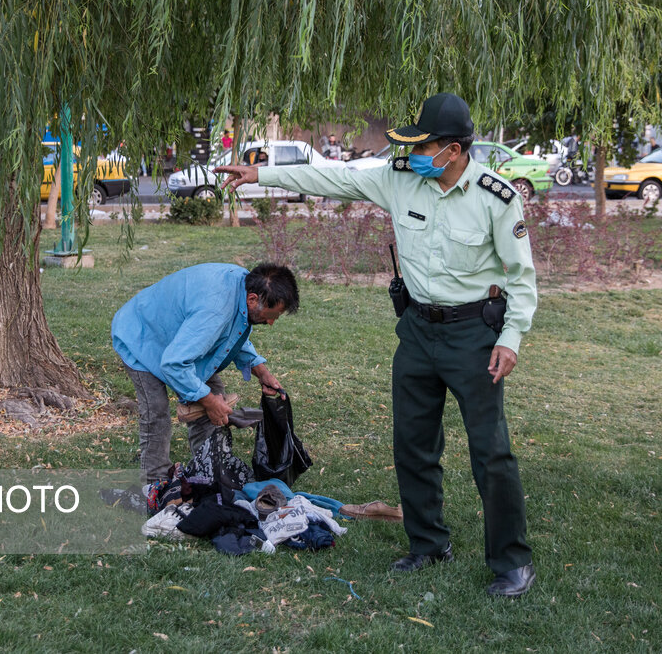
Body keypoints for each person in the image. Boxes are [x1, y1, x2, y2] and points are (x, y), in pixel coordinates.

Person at [216, 92, 538, 597]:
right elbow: (335, 179)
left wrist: (511, 339)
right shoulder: (401, 177)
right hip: (416, 330)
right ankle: (428, 543)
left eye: (426, 145)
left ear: (452, 151)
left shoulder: (495, 197)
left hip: (474, 335)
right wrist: (262, 175)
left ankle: (512, 562)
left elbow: (522, 277)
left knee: (491, 452)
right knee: (412, 444)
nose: (415, 154)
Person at [112, 263, 299, 483]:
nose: (270, 323)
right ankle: (155, 481)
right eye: (270, 316)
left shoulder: (242, 285)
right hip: (142, 336)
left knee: (214, 397)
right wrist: (208, 402)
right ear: (252, 300)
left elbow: (232, 332)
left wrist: (261, 372)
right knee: (157, 411)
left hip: (180, 338)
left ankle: (210, 470)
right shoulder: (216, 310)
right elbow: (174, 364)